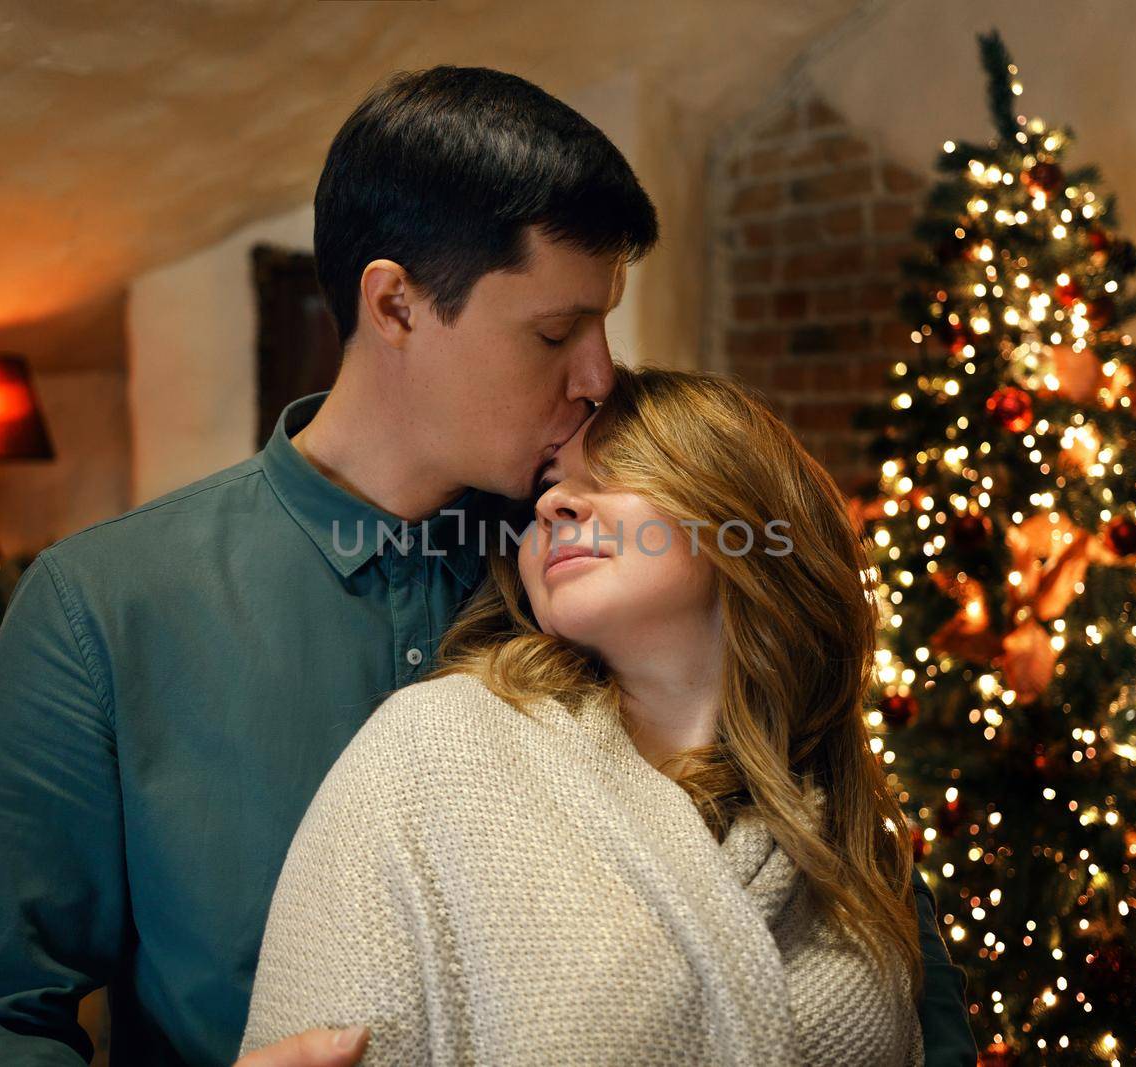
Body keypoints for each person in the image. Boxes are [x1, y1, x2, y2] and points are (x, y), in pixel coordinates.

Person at [0, 65, 974, 1066]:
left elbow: (853, 888)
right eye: (556, 332)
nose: (599, 374)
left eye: (602, 326)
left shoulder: (600, 562)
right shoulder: (105, 609)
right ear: (396, 304)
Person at [236, 365, 975, 1065]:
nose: (552, 505)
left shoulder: (841, 835)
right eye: (547, 490)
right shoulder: (432, 751)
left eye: (614, 473)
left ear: (742, 512)